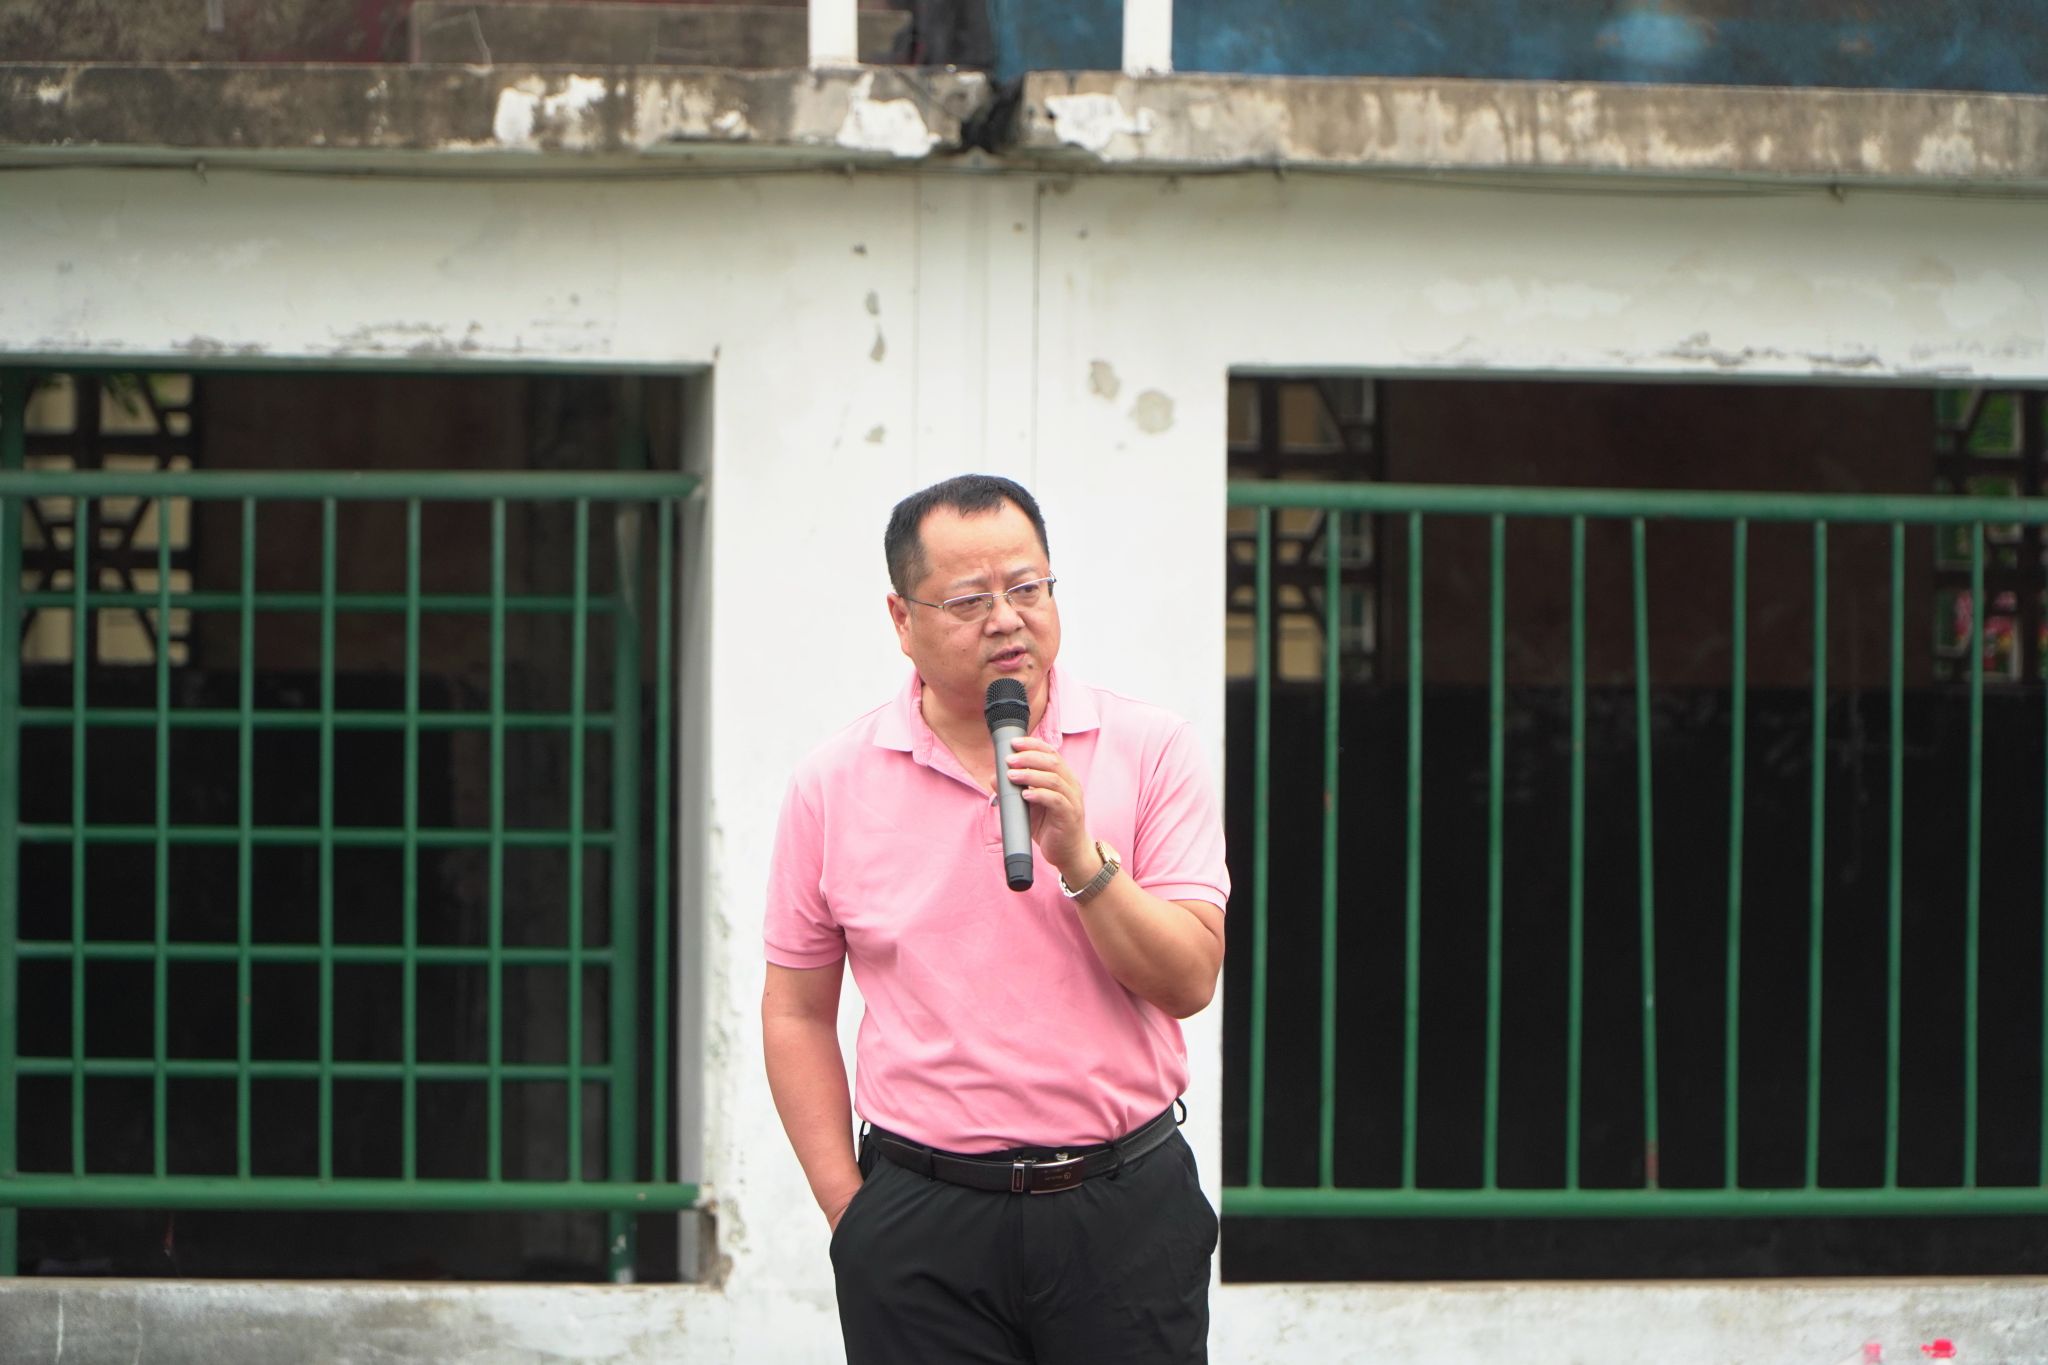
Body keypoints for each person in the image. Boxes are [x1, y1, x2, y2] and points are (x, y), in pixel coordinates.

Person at [762, 473, 1230, 1363]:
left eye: (1027, 588)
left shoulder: (1152, 747)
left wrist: (1082, 860)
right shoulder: (832, 782)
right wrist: (849, 1212)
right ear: (902, 619)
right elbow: (795, 1011)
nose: (1007, 620)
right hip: (922, 1220)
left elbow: (1189, 979)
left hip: (1122, 1206)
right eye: (970, 600)